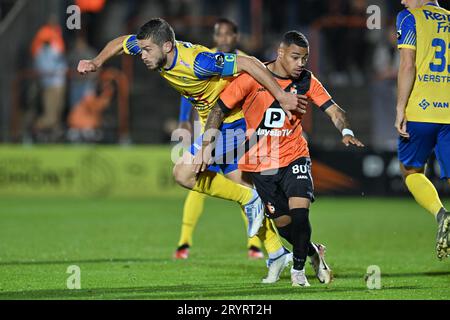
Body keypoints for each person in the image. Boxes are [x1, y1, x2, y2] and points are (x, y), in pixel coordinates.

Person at [78, 18, 308, 278]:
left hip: (235, 122)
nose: (142, 55)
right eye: (141, 50)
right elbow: (121, 42)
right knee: (239, 186)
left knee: (183, 173)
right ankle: (277, 252)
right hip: (213, 124)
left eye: (147, 51)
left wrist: (281, 95)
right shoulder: (153, 48)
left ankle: (255, 204)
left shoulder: (199, 61)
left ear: (167, 46)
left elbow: (249, 63)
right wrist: (96, 62)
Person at [197, 31, 364, 286]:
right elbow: (218, 108)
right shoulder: (252, 78)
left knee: (300, 215)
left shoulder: (307, 81)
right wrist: (207, 145)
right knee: (286, 227)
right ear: (280, 53)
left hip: (294, 155)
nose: (301, 64)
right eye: (296, 57)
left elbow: (335, 111)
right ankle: (313, 252)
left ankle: (298, 272)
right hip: (261, 164)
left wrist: (346, 131)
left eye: (305, 59)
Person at [174, 18, 264, 260]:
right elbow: (188, 89)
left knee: (243, 186)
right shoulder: (203, 57)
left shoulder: (246, 62)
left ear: (236, 37)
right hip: (208, 132)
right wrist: (183, 119)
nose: (222, 39)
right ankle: (184, 243)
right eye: (218, 34)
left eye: (227, 34)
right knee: (199, 184)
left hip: (235, 132)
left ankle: (255, 245)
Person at [395, 0, 450, 260]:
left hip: (422, 109)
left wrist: (399, 108)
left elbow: (408, 64)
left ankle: (441, 214)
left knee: (410, 170)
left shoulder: (409, 18)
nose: (403, 1)